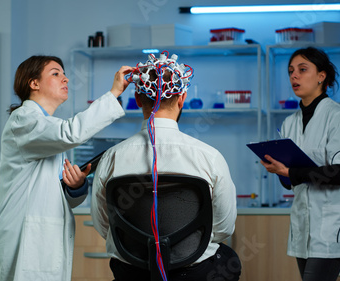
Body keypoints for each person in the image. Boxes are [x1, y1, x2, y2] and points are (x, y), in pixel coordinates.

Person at [90, 52, 241, 281]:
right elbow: (223, 228)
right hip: (193, 274)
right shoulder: (209, 157)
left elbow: (105, 225)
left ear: (138, 100)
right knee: (228, 257)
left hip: (132, 273)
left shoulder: (111, 158)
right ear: (182, 98)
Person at [0, 55, 133, 281]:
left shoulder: (46, 128)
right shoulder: (24, 120)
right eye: (56, 73)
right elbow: (71, 133)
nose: (65, 79)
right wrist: (114, 93)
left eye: (64, 74)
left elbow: (58, 197)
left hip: (44, 236)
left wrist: (75, 186)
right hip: (24, 235)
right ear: (34, 83)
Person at [260, 47, 340, 281]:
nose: (294, 76)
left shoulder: (338, 117)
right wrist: (277, 168)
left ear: (322, 76)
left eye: (302, 70)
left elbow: (337, 173)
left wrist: (290, 171)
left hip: (332, 224)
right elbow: (289, 184)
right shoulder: (290, 123)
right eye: (291, 71)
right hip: (304, 225)